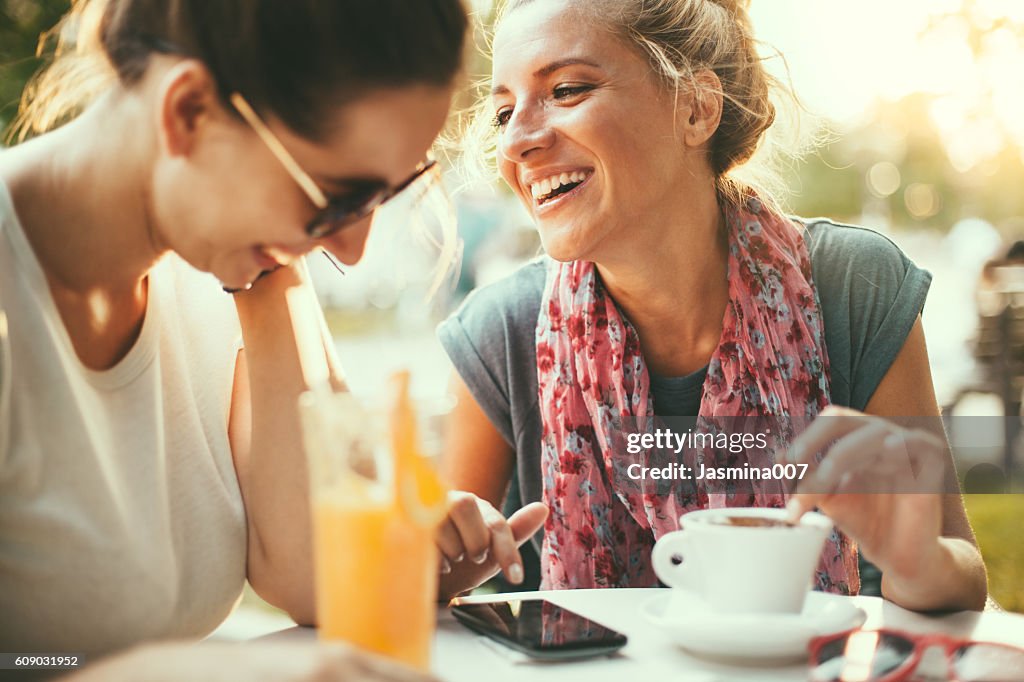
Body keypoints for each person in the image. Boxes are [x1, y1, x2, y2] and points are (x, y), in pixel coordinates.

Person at [432, 0, 988, 612]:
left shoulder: (853, 288)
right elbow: (418, 592)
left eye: (565, 90)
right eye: (504, 112)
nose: (517, 141)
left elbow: (958, 581)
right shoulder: (501, 332)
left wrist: (919, 558)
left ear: (696, 108)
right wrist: (437, 566)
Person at [0, 0, 466, 678]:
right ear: (188, 112)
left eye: (384, 198)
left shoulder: (224, 260)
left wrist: (275, 255)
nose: (353, 249)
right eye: (337, 198)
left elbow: (319, 577)